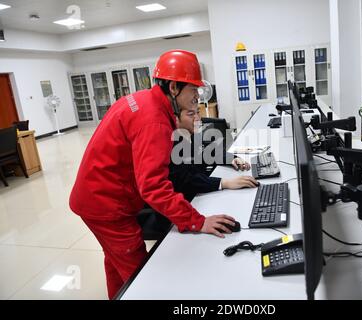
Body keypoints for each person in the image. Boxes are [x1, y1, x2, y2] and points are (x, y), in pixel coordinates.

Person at [69, 50, 237, 299]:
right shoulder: (154, 121)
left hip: (94, 195)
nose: (197, 99)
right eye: (193, 91)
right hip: (106, 204)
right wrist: (197, 221)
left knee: (114, 259)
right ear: (173, 88)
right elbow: (154, 187)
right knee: (139, 273)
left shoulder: (142, 99)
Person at [169, 105, 259, 201]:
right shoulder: (172, 144)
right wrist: (225, 183)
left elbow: (210, 152)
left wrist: (232, 158)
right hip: (187, 202)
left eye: (198, 112)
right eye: (191, 114)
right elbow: (188, 181)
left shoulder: (192, 135)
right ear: (176, 119)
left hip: (201, 194)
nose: (198, 118)